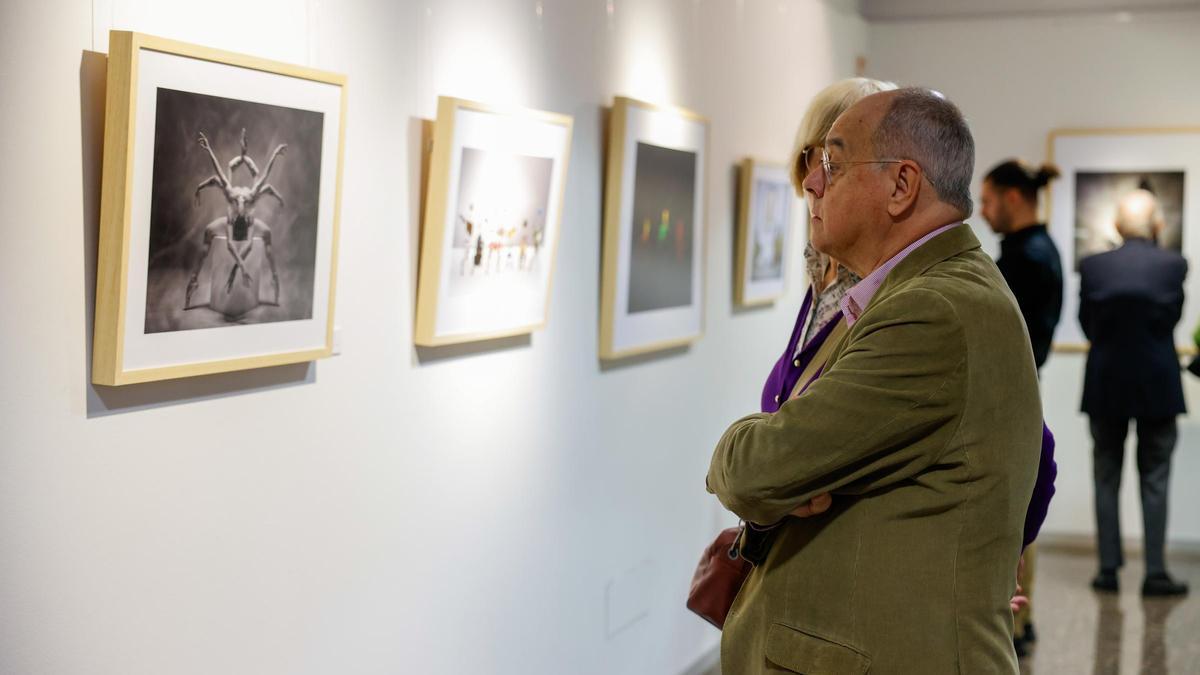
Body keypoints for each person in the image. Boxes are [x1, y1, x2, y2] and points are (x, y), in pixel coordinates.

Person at [708, 88, 1043, 674]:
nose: (813, 183)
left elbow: (754, 471)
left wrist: (753, 447)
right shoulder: (921, 292)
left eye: (832, 163)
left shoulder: (933, 311)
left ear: (901, 186)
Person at [1080, 189, 1189, 597]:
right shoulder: (1174, 264)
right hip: (1158, 384)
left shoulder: (1094, 267)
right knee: (1155, 479)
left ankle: (1108, 570)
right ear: (1157, 225)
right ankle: (1155, 572)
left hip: (1106, 382)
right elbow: (1172, 319)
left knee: (1105, 476)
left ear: (1118, 226)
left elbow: (1087, 324)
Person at [980, 158, 1065, 654]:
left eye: (988, 200)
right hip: (1022, 389)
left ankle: (1014, 619)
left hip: (1008, 396)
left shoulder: (1023, 260)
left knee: (1014, 512)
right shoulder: (1040, 250)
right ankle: (1019, 616)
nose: (984, 211)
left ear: (1014, 198)